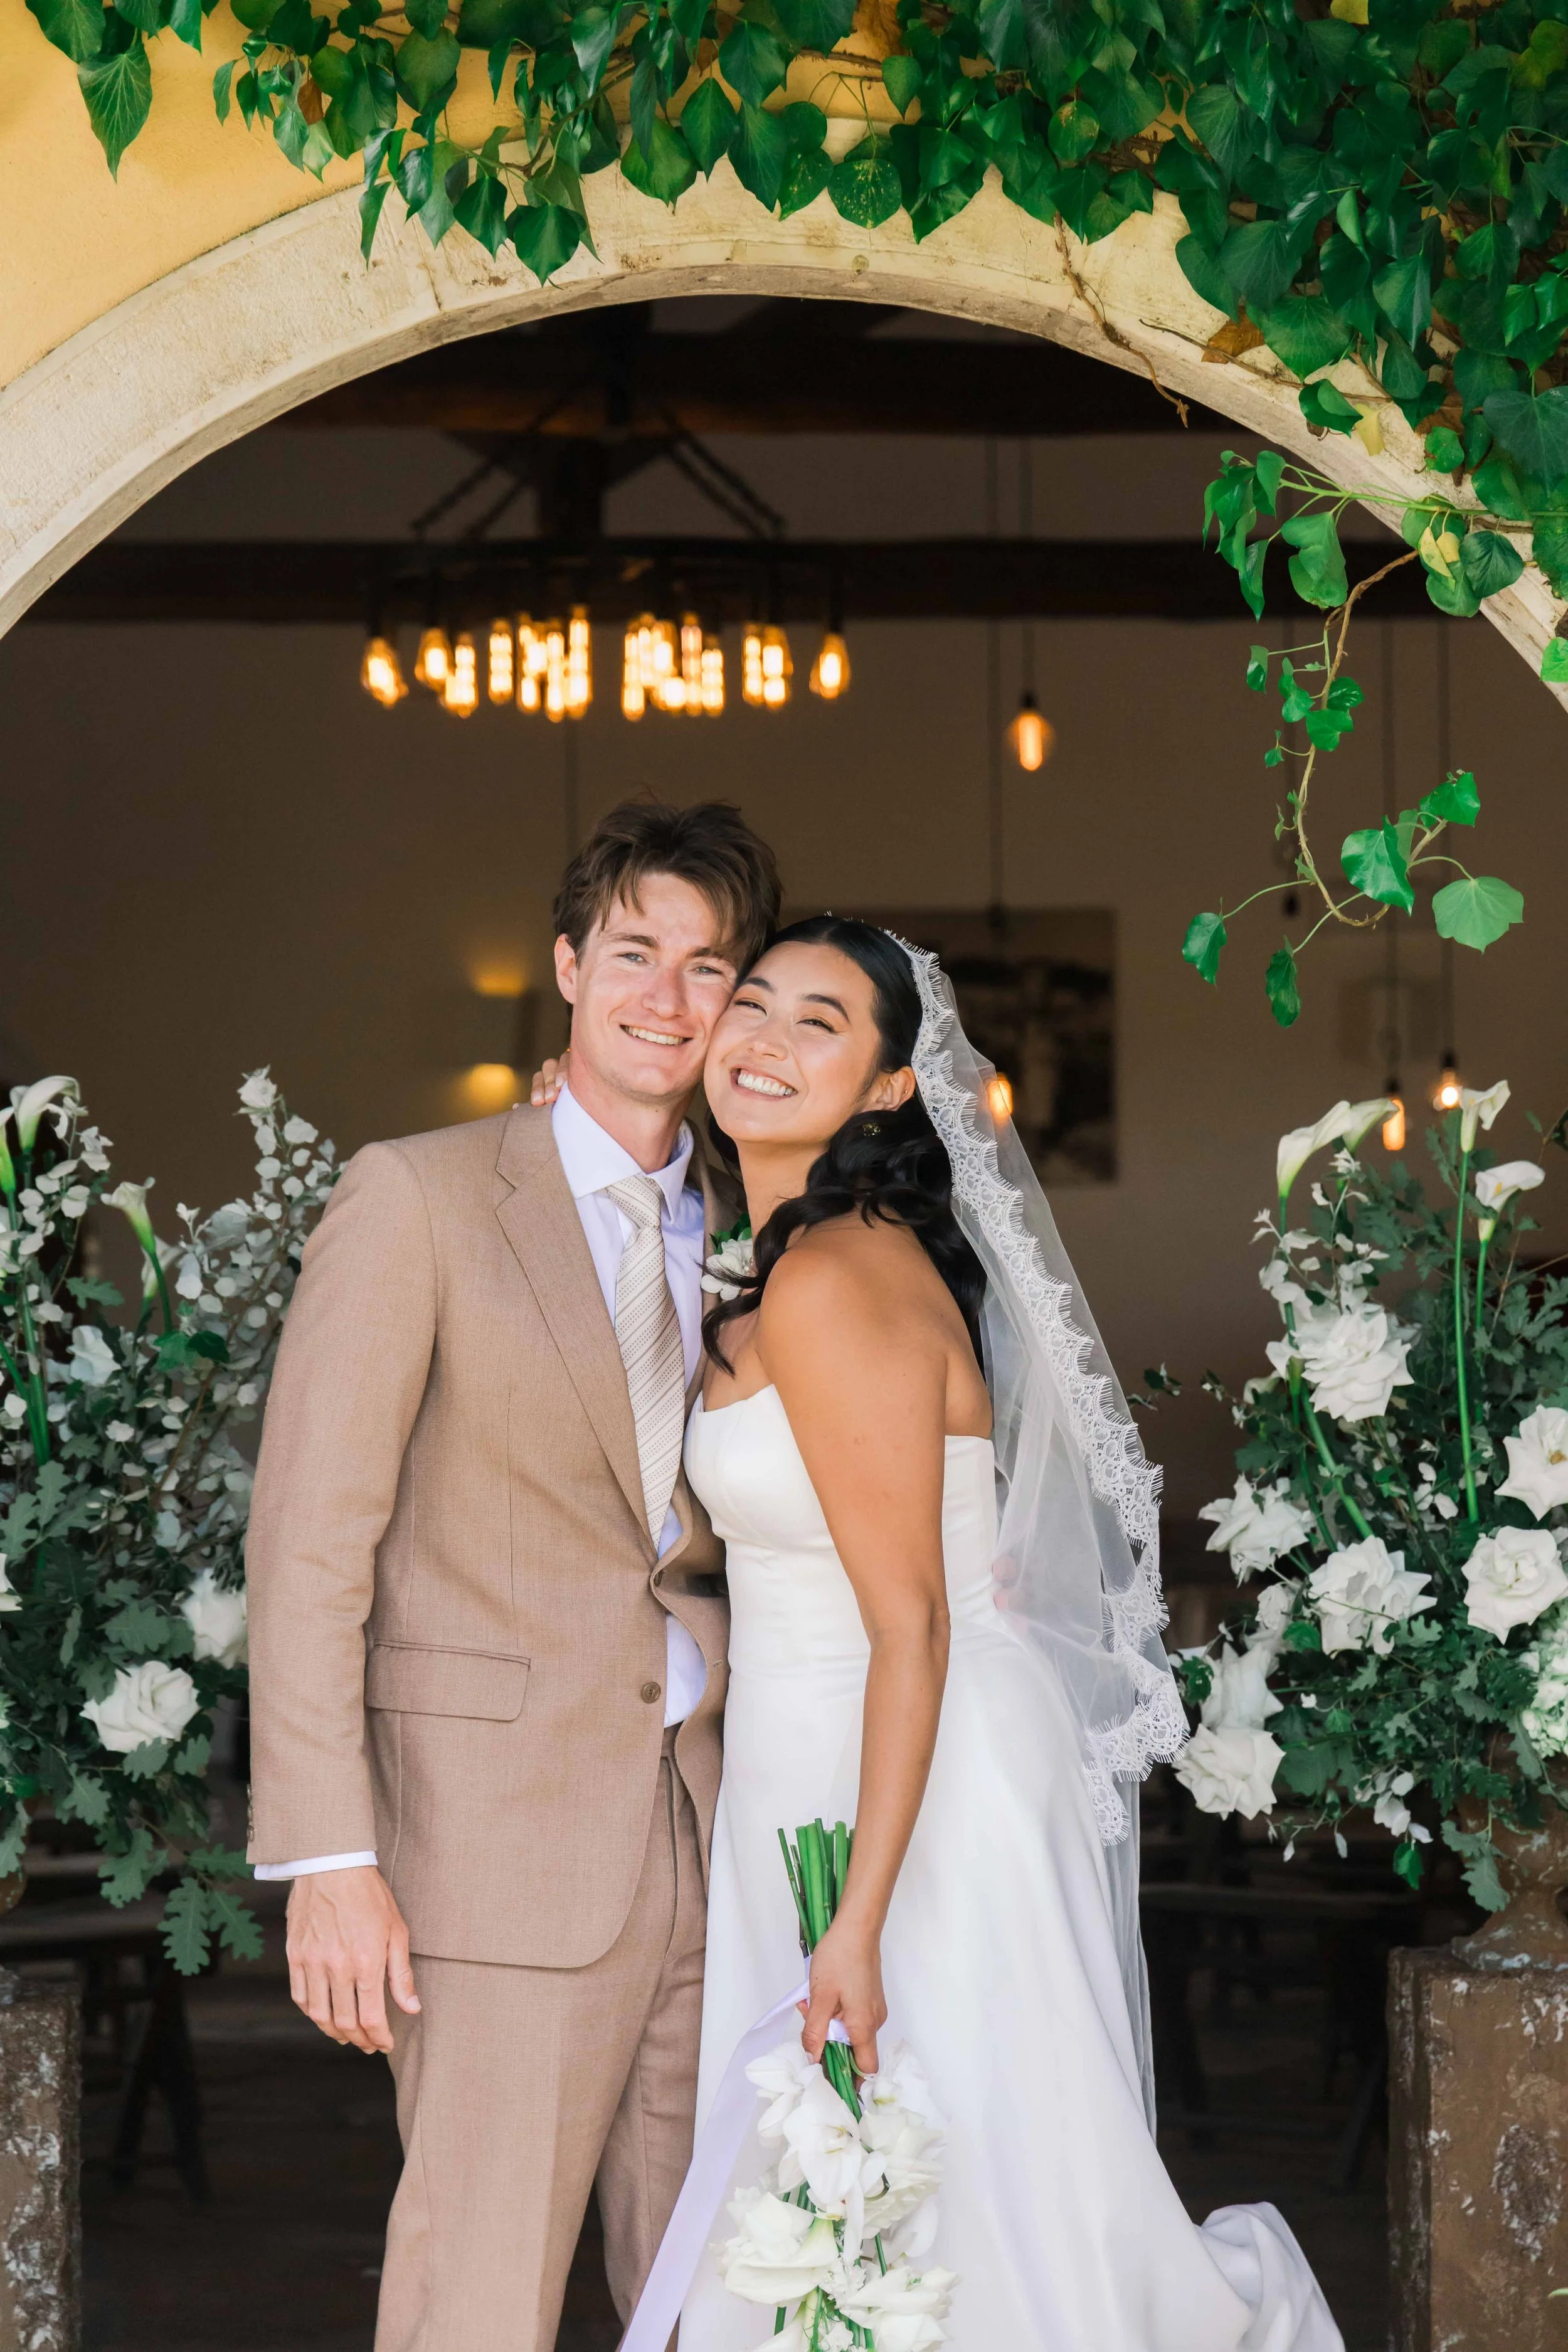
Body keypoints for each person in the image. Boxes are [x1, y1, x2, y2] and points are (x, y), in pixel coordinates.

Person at [652, 915, 1342, 2351]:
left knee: (957, 2188)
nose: (762, 1042)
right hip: (821, 1754)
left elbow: (908, 1627)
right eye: (754, 1005)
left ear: (894, 1088)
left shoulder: (834, 1277)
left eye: (819, 1024)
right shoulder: (786, 1264)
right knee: (880, 2187)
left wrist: (854, 1919)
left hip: (904, 1773)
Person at [244, 798, 781, 2352]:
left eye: (707, 967)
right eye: (634, 954)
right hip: (488, 1855)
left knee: (717, 2294)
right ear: (566, 963)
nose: (667, 999)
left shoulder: (756, 1220)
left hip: (712, 1825)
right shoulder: (414, 1197)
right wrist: (324, 1855)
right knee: (476, 2302)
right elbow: (308, 1547)